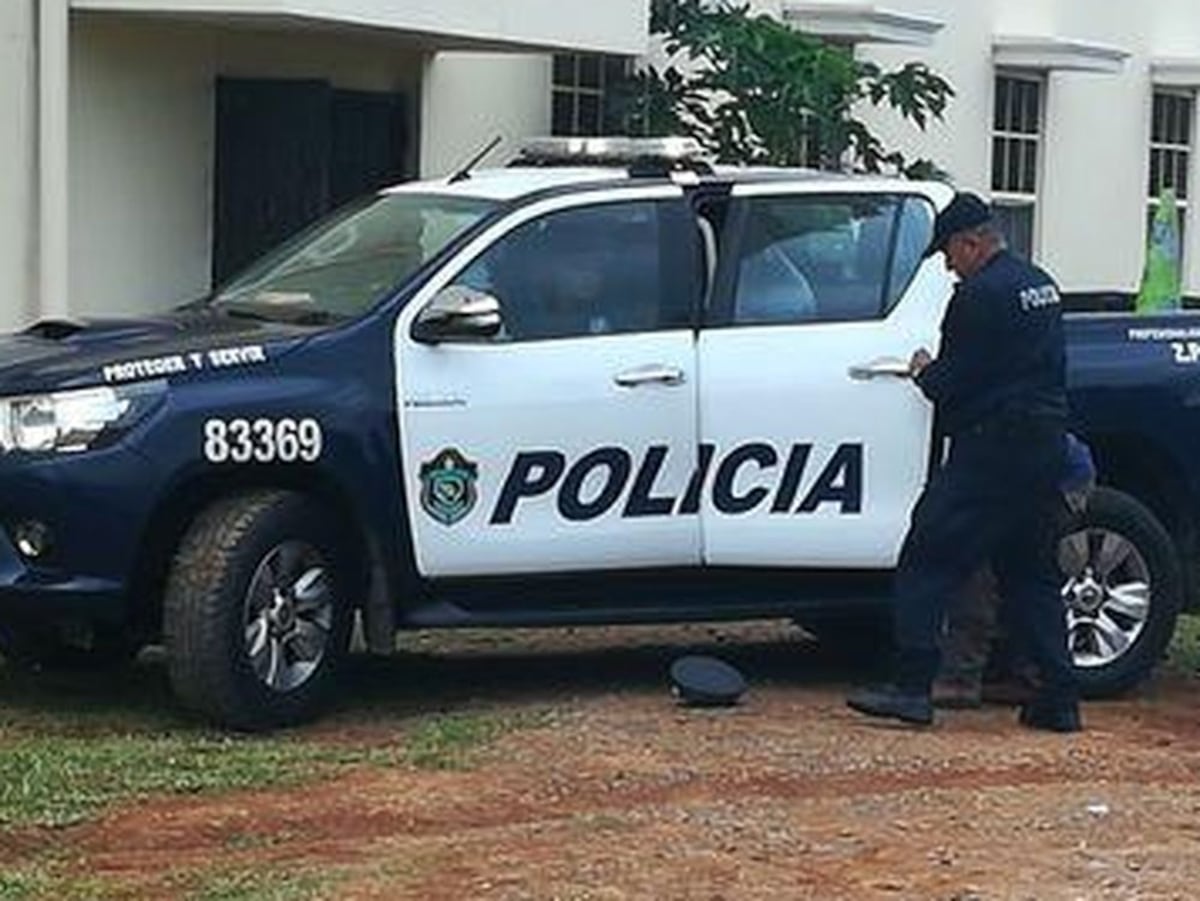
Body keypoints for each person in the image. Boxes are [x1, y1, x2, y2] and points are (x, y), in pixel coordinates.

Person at [846, 192, 1082, 733]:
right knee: (1031, 573)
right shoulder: (1038, 284)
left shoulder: (978, 297)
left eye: (950, 253)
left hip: (993, 447)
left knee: (926, 557)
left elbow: (955, 381)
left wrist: (924, 370)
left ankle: (911, 688)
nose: (949, 264)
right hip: (1043, 442)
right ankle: (1060, 699)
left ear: (971, 242)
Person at [932, 433, 1097, 709]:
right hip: (1058, 472)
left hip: (1043, 480)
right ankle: (1031, 676)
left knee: (978, 575)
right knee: (1025, 577)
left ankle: (961, 680)